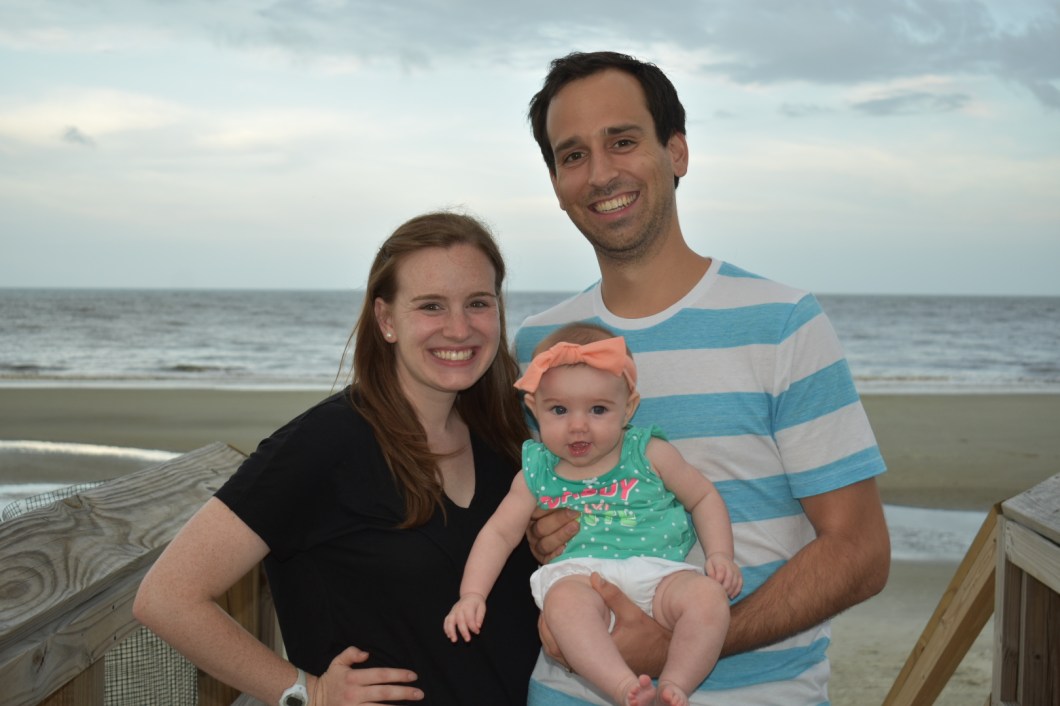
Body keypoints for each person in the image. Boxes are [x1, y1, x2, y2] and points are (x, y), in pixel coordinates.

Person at [517, 51, 891, 705]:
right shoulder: (541, 345)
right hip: (568, 691)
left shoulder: (782, 322)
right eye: (573, 155)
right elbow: (544, 500)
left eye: (622, 141)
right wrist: (539, 532)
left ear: (677, 152)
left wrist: (688, 643)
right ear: (556, 182)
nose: (600, 173)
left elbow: (860, 552)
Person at [133, 211, 540, 706]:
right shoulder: (326, 442)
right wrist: (308, 692)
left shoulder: (505, 436)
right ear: (386, 320)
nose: (459, 328)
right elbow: (167, 596)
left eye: (478, 303)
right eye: (431, 306)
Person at [445, 322, 742, 706]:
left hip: (660, 574)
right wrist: (472, 594)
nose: (578, 426)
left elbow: (702, 497)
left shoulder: (648, 453)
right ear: (534, 408)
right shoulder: (537, 472)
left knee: (708, 598)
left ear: (628, 408)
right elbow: (499, 533)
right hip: (580, 577)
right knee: (565, 606)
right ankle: (623, 687)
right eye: (559, 410)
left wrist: (720, 554)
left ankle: (676, 685)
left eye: (598, 409)